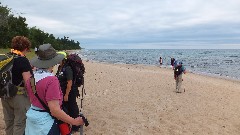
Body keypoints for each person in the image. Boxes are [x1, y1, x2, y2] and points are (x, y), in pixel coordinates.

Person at [25, 44, 84, 135]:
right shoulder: (51, 80)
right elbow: (54, 110)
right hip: (45, 123)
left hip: (32, 117)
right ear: (53, 62)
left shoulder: (31, 77)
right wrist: (74, 121)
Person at [1, 36, 32, 135]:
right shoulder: (23, 60)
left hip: (4, 94)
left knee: (9, 122)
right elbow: (28, 81)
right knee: (19, 123)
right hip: (19, 96)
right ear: (26, 48)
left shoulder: (7, 58)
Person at [56, 51, 81, 133]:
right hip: (64, 91)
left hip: (70, 91)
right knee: (67, 107)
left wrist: (66, 94)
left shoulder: (67, 68)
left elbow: (69, 82)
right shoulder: (60, 67)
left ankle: (76, 126)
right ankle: (69, 123)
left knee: (73, 107)